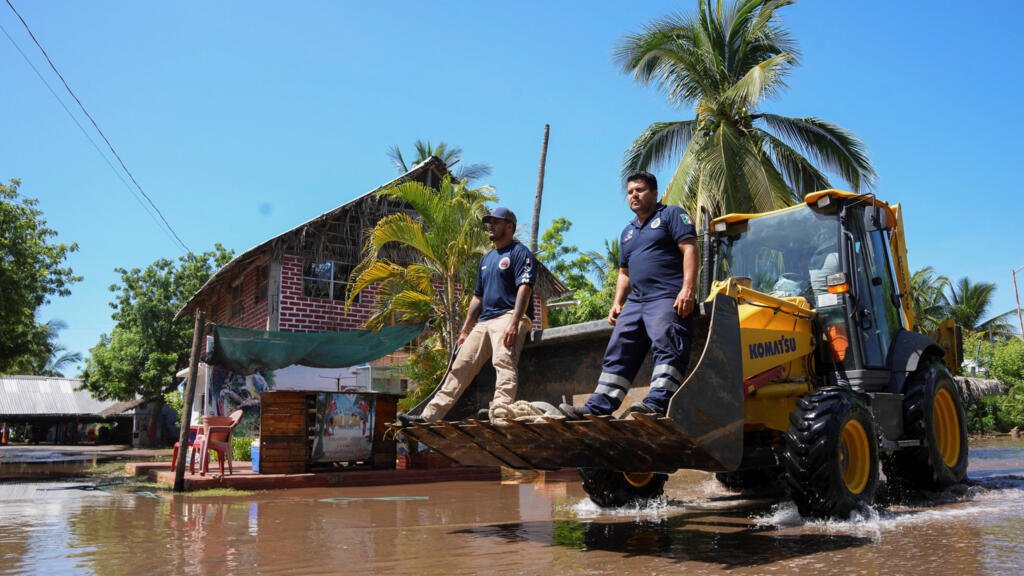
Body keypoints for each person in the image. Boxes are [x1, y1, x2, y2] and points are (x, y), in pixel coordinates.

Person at [561, 171, 697, 418]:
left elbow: (689, 249)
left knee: (667, 342)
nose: (634, 195)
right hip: (636, 301)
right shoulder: (627, 232)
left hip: (666, 295)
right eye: (630, 192)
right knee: (619, 348)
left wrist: (687, 289)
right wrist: (617, 302)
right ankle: (598, 408)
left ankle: (656, 404)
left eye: (640, 190)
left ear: (654, 193)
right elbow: (624, 273)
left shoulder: (672, 214)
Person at [398, 207, 536, 425]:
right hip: (484, 321)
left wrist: (514, 322)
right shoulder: (487, 259)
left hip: (509, 316)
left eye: (496, 222)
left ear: (510, 226)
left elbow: (525, 289)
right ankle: (429, 416)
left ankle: (500, 411)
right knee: (460, 366)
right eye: (489, 222)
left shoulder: (520, 253)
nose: (490, 225)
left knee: (503, 361)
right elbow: (477, 299)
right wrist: (464, 331)